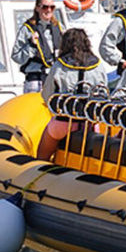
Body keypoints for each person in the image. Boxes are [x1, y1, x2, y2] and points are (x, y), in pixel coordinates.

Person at [37, 29, 108, 161]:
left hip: (63, 122)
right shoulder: (98, 66)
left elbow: (48, 95)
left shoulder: (59, 65)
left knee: (42, 155)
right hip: (89, 124)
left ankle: (39, 169)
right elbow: (104, 93)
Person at [11, 0, 63, 93]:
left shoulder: (59, 28)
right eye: (45, 7)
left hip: (55, 78)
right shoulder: (27, 29)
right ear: (37, 8)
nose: (48, 10)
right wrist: (31, 46)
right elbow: (16, 56)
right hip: (35, 79)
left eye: (52, 7)